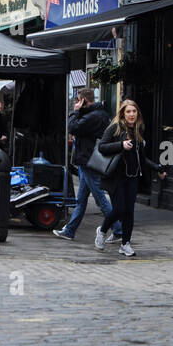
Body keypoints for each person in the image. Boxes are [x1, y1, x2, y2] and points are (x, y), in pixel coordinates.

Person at [94, 99, 166, 257]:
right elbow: (102, 147)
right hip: (116, 177)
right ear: (123, 114)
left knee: (129, 212)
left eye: (134, 111)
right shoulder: (115, 128)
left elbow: (142, 157)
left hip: (132, 177)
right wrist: (121, 145)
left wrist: (157, 168)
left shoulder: (138, 131)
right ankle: (103, 230)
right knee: (119, 209)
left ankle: (125, 244)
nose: (131, 114)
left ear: (137, 114)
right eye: (128, 112)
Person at [52, 88, 119, 242]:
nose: (76, 103)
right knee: (81, 201)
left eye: (78, 100)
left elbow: (73, 127)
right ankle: (70, 230)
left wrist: (75, 111)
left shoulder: (94, 116)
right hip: (87, 161)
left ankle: (118, 229)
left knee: (100, 199)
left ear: (83, 101)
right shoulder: (98, 114)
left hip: (89, 162)